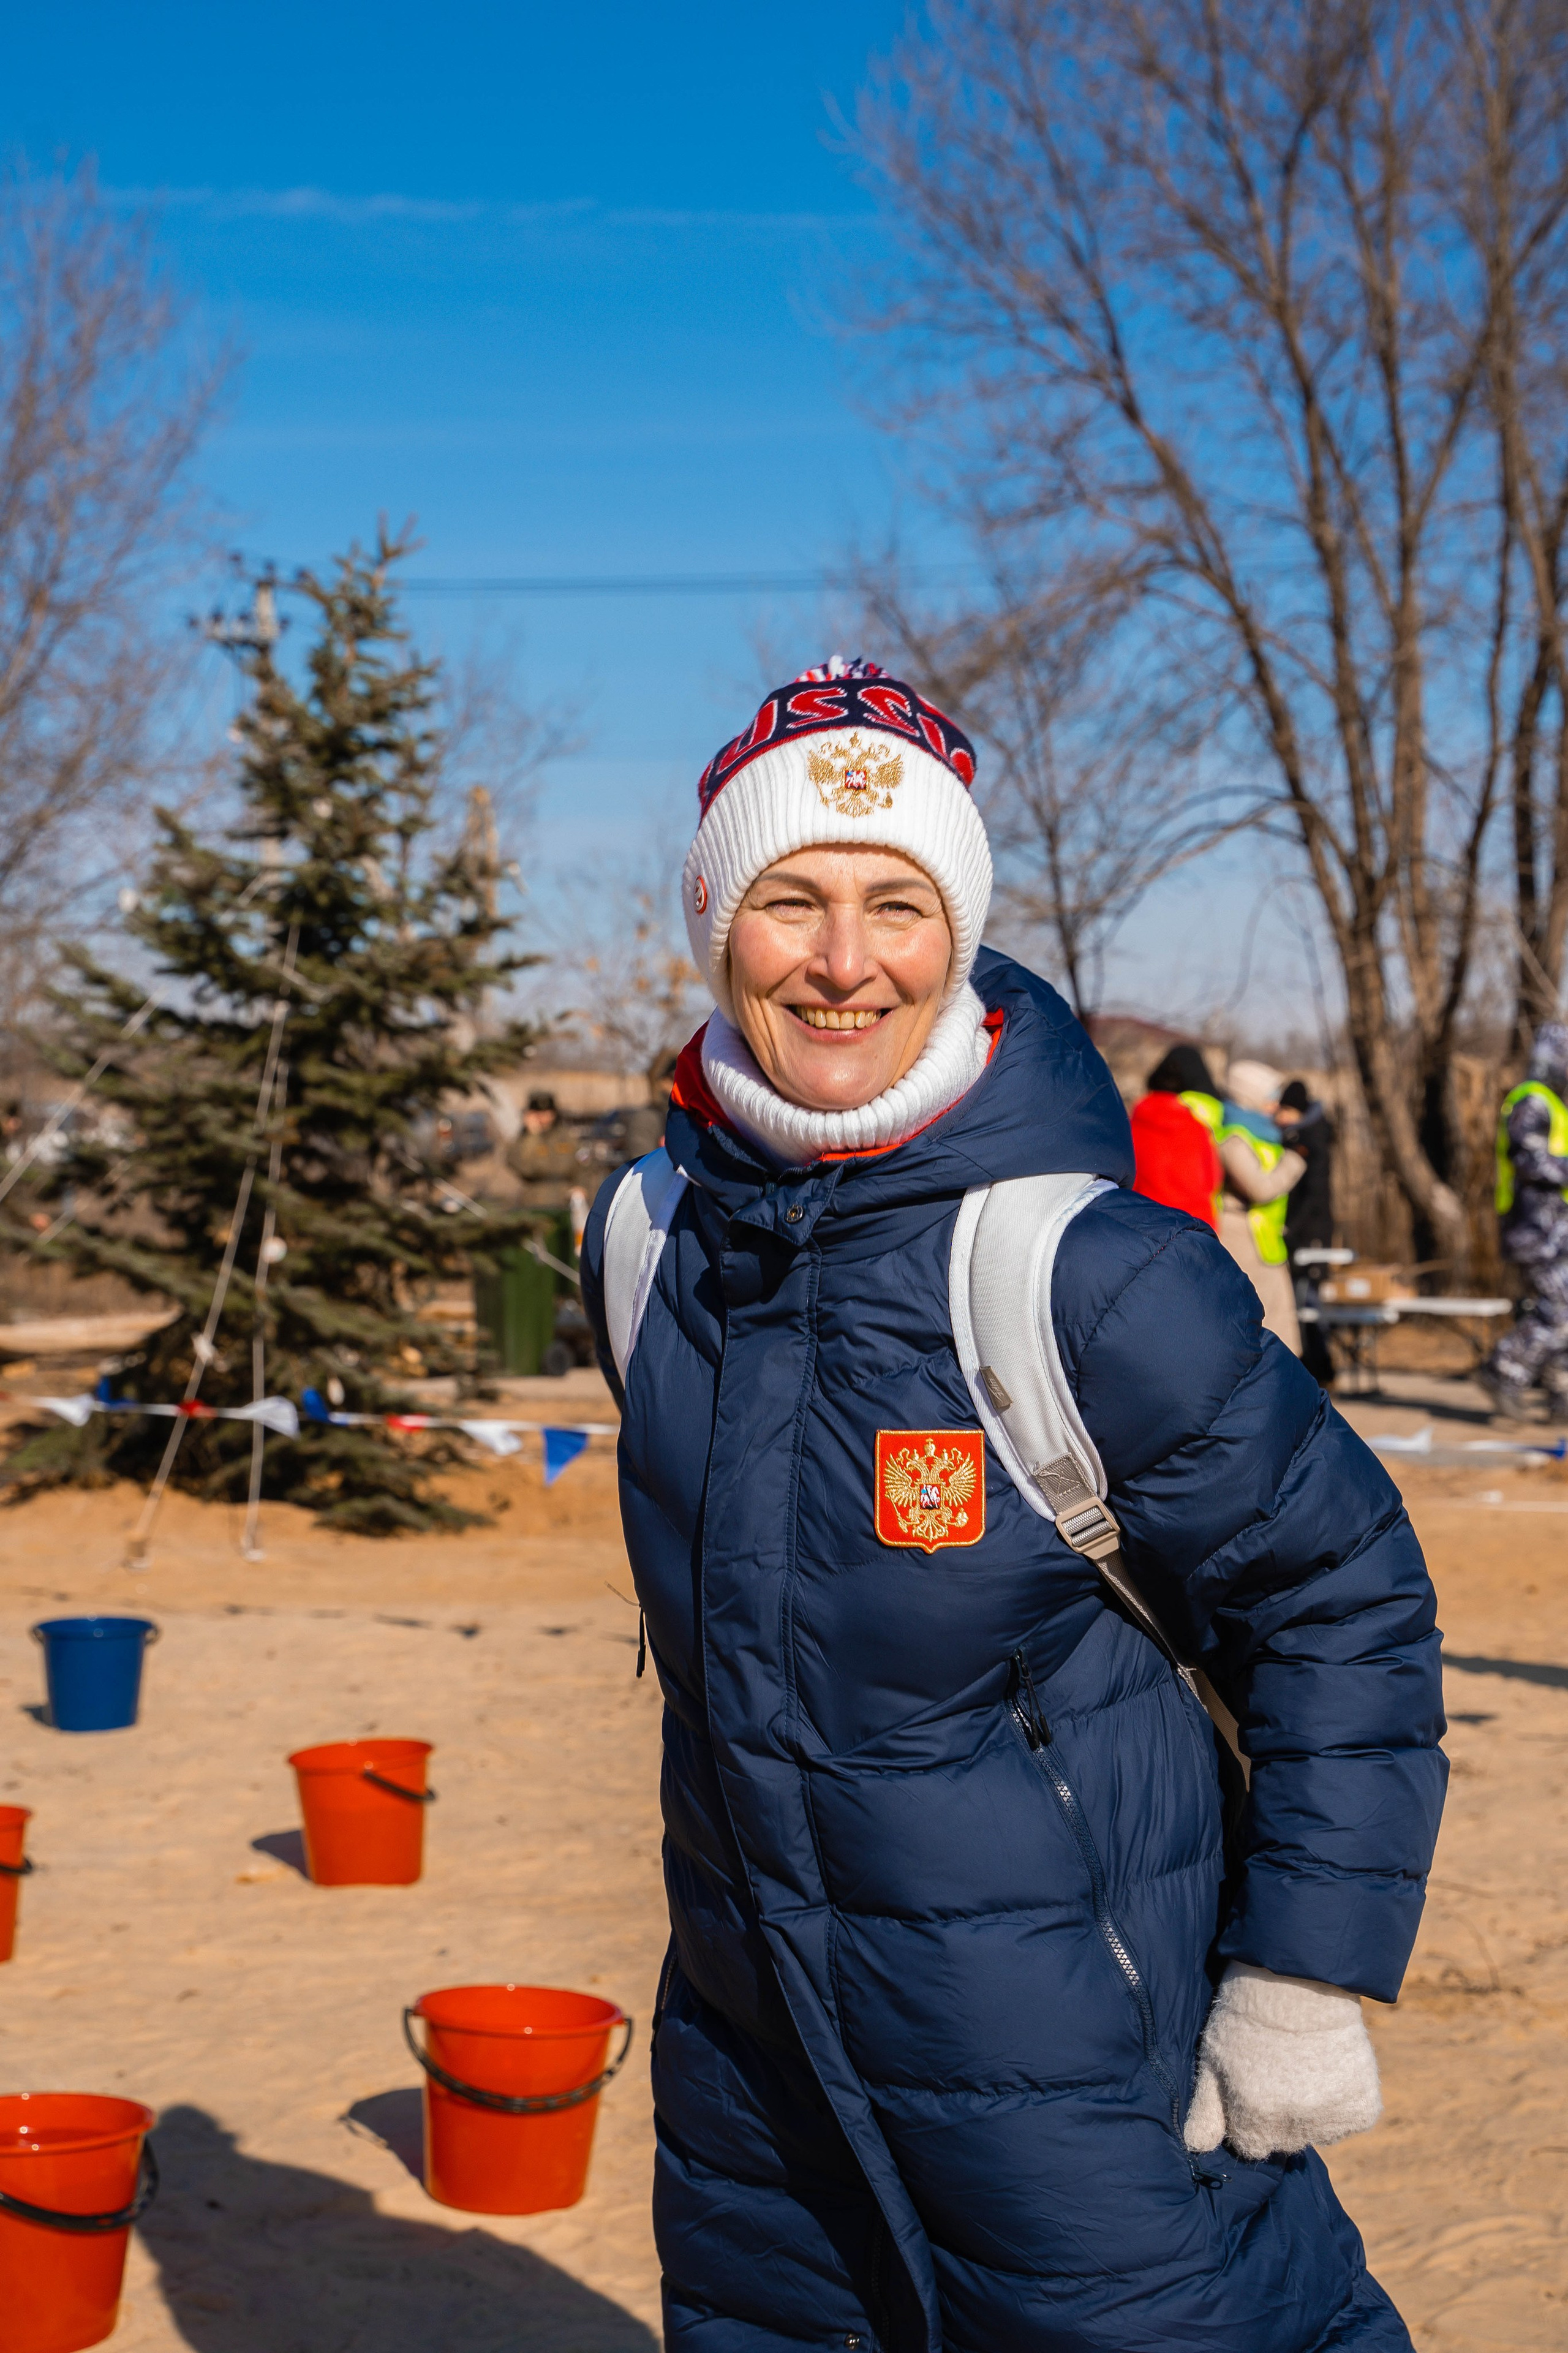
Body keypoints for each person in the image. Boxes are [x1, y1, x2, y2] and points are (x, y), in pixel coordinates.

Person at [581, 656, 1443, 2353]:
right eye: (791, 902)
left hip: (1083, 2079)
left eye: (900, 903)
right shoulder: (648, 1245)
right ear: (714, 929)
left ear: (959, 931)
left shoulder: (1083, 1277)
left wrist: (1302, 1975)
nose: (845, 961)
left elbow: (1342, 1598)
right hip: (766, 2092)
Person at [1479, 1020, 1568, 1421]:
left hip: (1551, 1228)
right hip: (1534, 1229)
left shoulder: (1551, 1103)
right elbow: (1526, 1156)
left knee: (1560, 1308)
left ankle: (1562, 1392)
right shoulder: (1533, 1100)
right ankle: (1503, 1371)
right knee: (1559, 1311)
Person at [1216, 1060, 1306, 1354]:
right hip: (1242, 1242)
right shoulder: (1234, 1138)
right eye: (1269, 1098)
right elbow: (1261, 1188)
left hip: (1264, 1241)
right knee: (1258, 1330)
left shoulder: (1263, 1135)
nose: (1275, 1106)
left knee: (1278, 1328)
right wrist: (1295, 1162)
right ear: (1249, 1097)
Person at [1278, 1079, 1337, 1386]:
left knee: (1309, 1302)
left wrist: (1292, 1227)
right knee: (1305, 1301)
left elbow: (1315, 1195)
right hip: (1302, 1231)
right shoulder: (1298, 1135)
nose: (1279, 1116)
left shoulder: (1312, 1140)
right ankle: (1317, 1368)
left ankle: (1321, 1369)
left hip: (1309, 1233)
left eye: (1285, 1110)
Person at [1129, 1042, 1224, 1226]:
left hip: (1148, 1229)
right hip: (1196, 1232)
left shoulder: (1134, 1125)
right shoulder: (1199, 1127)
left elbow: (1128, 1182)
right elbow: (1213, 1182)